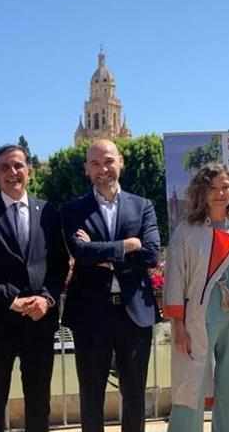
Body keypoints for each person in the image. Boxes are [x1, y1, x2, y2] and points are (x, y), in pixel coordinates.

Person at [0, 144, 70, 432]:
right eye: (5, 168)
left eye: (18, 166)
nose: (12, 173)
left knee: (39, 401)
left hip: (40, 322)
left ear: (30, 171)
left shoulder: (49, 212)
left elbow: (59, 265)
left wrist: (47, 300)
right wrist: (12, 300)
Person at [61, 139, 161, 432]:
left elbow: (152, 254)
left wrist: (102, 255)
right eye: (95, 163)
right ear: (86, 169)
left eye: (108, 161)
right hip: (90, 314)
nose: (102, 168)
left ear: (121, 161)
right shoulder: (73, 209)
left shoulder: (143, 206)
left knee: (134, 395)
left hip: (135, 315)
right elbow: (80, 252)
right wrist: (127, 246)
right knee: (91, 396)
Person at [162, 163, 229, 432]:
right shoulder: (186, 230)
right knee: (191, 386)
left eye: (225, 187)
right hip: (199, 319)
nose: (219, 193)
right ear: (201, 192)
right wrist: (178, 326)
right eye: (212, 188)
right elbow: (175, 277)